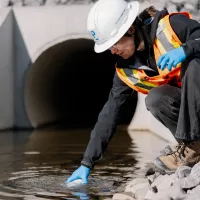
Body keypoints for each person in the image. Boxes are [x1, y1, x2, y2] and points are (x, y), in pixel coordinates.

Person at [67, 0, 200, 184]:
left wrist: (186, 50)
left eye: (114, 43)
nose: (113, 51)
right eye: (109, 47)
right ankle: (193, 146)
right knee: (155, 99)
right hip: (193, 113)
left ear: (130, 30)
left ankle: (191, 147)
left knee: (195, 64)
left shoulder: (172, 27)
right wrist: (86, 163)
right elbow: (109, 114)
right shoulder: (126, 70)